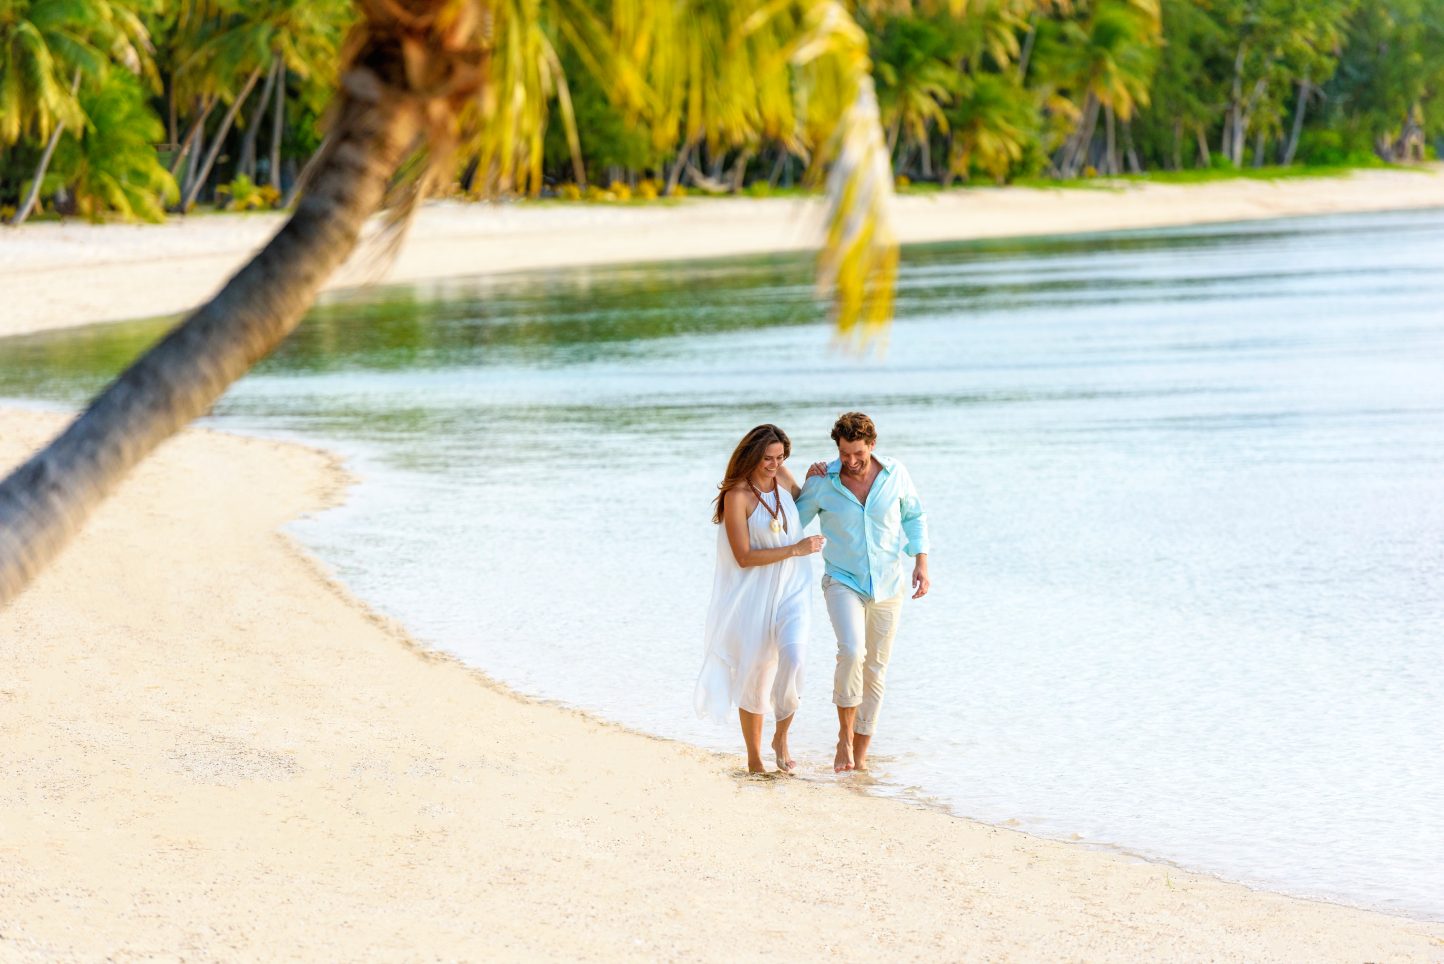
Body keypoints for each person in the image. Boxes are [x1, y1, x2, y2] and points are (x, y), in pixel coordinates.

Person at [796, 412, 930, 773]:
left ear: (873, 445)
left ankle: (861, 751)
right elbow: (792, 521)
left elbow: (914, 516)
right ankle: (843, 736)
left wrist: (921, 562)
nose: (852, 462)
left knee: (876, 669)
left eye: (859, 453)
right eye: (844, 454)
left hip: (889, 583)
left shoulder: (895, 474)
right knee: (852, 651)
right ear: (836, 449)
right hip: (842, 580)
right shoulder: (825, 481)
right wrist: (794, 481)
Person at [695, 424, 823, 774]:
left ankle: (781, 736)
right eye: (767, 458)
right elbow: (743, 556)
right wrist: (795, 548)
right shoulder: (737, 495)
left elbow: (804, 501)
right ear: (752, 456)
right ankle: (755, 759)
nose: (774, 464)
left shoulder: (780, 474)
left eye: (780, 457)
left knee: (794, 657)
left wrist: (819, 477)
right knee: (756, 670)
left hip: (793, 587)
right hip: (754, 591)